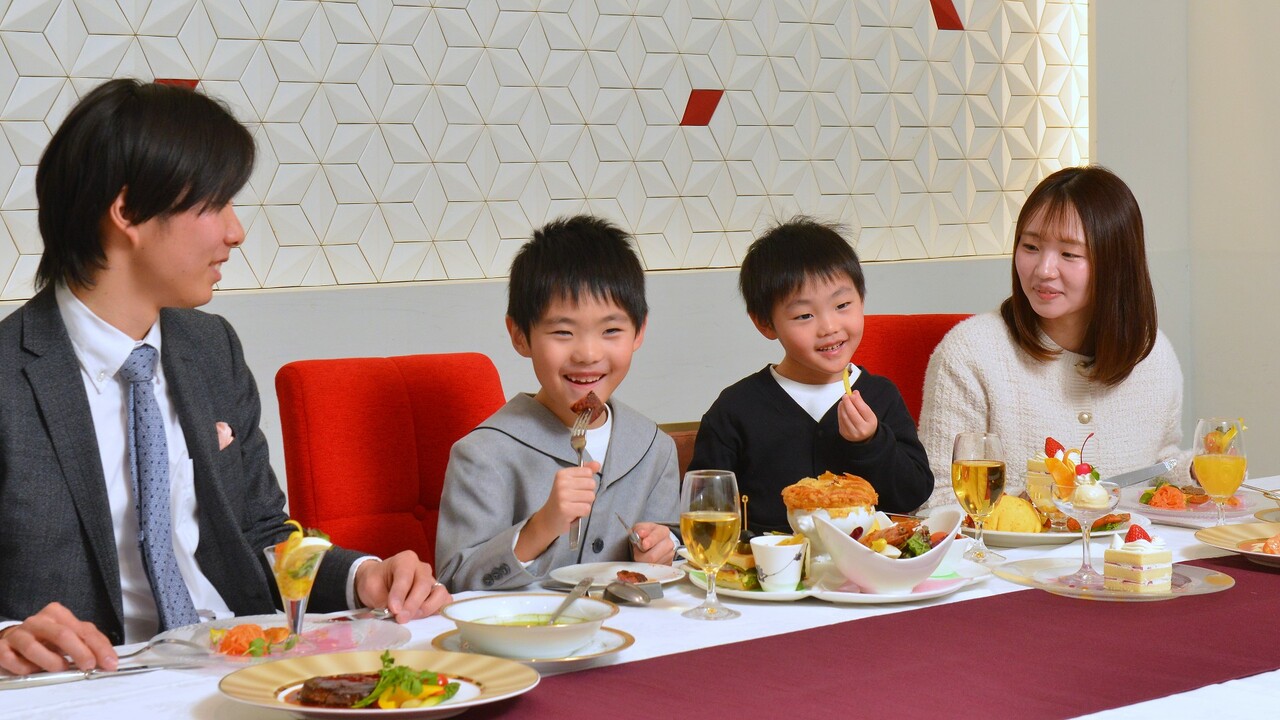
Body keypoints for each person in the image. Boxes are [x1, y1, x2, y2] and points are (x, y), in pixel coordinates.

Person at [0, 79, 450, 677]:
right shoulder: (9, 376)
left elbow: (262, 531)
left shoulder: (210, 348)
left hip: (236, 665)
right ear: (128, 213)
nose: (236, 232)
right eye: (214, 205)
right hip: (89, 685)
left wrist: (364, 576)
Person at [918, 165, 1185, 508]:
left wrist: (1194, 470)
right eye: (1031, 246)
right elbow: (938, 500)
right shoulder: (970, 354)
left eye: (1069, 254)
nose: (1043, 270)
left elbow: (1159, 471)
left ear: (1116, 263)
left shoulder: (1153, 354)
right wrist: (1033, 506)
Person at [435, 215, 679, 591]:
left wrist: (662, 549)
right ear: (520, 335)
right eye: (563, 332)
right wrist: (541, 527)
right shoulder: (483, 454)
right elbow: (455, 583)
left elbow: (672, 559)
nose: (588, 354)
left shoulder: (654, 448)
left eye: (611, 330)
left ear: (639, 332)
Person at [688, 218, 933, 532]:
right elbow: (703, 510)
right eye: (804, 315)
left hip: (866, 560)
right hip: (765, 561)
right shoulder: (736, 408)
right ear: (765, 323)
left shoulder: (880, 396)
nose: (829, 327)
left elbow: (914, 493)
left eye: (842, 305)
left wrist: (871, 442)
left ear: (862, 300)